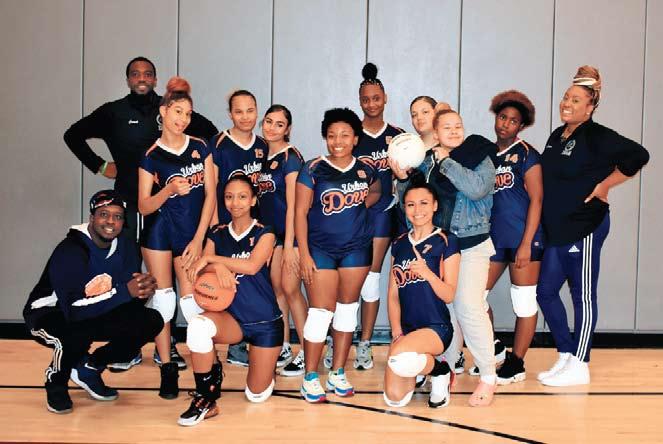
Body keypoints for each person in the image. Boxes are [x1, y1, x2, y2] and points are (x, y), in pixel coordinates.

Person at [63, 56, 217, 372]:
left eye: (148, 73)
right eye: (135, 74)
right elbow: (72, 134)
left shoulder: (171, 109)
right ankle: (129, 344)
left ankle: (170, 346)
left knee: (177, 283)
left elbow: (211, 137)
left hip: (178, 213)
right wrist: (100, 166)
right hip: (131, 205)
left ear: (156, 79)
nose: (142, 78)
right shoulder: (114, 112)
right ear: (128, 79)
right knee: (130, 274)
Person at [536, 66, 649, 386]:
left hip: (584, 226)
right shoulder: (557, 136)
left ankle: (581, 363)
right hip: (557, 230)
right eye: (565, 97)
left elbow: (639, 155)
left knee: (582, 295)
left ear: (590, 107)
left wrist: (605, 185)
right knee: (545, 292)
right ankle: (566, 354)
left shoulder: (597, 135)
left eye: (575, 100)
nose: (566, 103)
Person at [392, 108, 498, 406]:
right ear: (435, 133)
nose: (453, 131)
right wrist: (402, 179)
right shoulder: (426, 161)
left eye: (458, 126)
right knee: (446, 311)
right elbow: (412, 203)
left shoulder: (479, 156)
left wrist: (447, 162)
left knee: (469, 308)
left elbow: (477, 190)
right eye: (446, 127)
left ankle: (488, 376)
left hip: (472, 243)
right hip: (442, 246)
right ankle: (446, 369)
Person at [22, 190, 163, 414]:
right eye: (104, 214)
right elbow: (74, 310)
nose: (111, 222)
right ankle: (56, 383)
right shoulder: (71, 250)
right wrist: (126, 292)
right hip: (49, 313)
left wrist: (141, 293)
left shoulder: (126, 247)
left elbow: (122, 297)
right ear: (92, 218)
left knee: (150, 320)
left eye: (117, 216)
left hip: (92, 310)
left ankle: (91, 366)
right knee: (75, 332)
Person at [179, 174, 282, 426]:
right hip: (231, 318)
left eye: (242, 196)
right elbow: (199, 269)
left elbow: (252, 265)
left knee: (256, 396)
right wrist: (214, 266)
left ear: (253, 200)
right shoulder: (217, 233)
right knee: (198, 327)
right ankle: (206, 398)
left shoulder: (265, 232)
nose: (235, 203)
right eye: (229, 197)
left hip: (264, 322)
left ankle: (266, 370)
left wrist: (214, 261)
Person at [138, 77, 216, 399]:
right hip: (160, 232)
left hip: (191, 234)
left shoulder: (200, 147)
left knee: (192, 302)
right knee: (164, 301)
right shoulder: (152, 154)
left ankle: (206, 369)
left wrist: (199, 240)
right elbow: (144, 205)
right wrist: (168, 189)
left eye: (188, 114)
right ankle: (167, 368)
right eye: (178, 112)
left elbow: (211, 196)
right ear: (164, 111)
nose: (183, 119)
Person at [296, 108, 381, 402]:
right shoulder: (312, 168)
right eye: (332, 135)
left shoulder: (366, 169)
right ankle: (310, 376)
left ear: (355, 138)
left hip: (356, 248)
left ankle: (338, 372)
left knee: (346, 310)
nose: (338, 141)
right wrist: (303, 253)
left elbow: (376, 191)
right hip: (320, 249)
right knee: (320, 313)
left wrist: (358, 207)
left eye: (345, 135)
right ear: (325, 138)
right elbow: (299, 212)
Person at [480, 90, 543, 385]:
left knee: (524, 302)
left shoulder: (528, 154)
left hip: (523, 239)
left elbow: (537, 200)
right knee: (474, 298)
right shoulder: (487, 154)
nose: (505, 124)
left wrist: (527, 243)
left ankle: (516, 362)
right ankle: (494, 348)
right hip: (493, 240)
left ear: (522, 125)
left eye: (513, 120)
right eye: (502, 117)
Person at [347, 63, 405, 371]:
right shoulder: (350, 134)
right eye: (366, 99)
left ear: (385, 99)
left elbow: (409, 177)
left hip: (382, 214)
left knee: (370, 278)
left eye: (376, 98)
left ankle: (365, 342)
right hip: (350, 216)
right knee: (347, 280)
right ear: (360, 101)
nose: (371, 104)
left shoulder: (398, 137)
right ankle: (340, 339)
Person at [383, 178, 460, 408]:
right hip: (407, 330)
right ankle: (424, 365)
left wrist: (428, 274)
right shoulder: (399, 244)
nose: (417, 210)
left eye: (424, 203)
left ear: (435, 205)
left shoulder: (446, 240)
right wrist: (397, 331)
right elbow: (393, 294)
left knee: (399, 357)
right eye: (411, 204)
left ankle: (440, 371)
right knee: (394, 399)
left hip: (436, 327)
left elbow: (449, 295)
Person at [407, 97, 465, 385]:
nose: (419, 118)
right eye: (414, 114)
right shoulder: (414, 152)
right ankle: (427, 361)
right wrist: (401, 177)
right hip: (423, 233)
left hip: (454, 235)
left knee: (457, 301)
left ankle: (452, 361)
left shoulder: (455, 151)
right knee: (425, 298)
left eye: (425, 112)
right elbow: (409, 196)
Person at [211, 89, 268, 367]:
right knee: (225, 284)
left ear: (257, 112)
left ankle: (249, 341)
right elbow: (211, 190)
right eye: (238, 111)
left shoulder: (263, 145)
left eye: (250, 110)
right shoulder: (219, 143)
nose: (245, 117)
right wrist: (214, 228)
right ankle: (228, 345)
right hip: (226, 224)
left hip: (252, 226)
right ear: (230, 114)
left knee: (250, 284)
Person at [257, 105, 308, 376]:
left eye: (279, 124)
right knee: (277, 289)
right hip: (272, 234)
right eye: (269, 121)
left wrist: (289, 245)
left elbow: (294, 206)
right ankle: (285, 345)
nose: (272, 128)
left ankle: (308, 351)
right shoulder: (262, 156)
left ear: (288, 129)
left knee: (291, 289)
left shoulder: (291, 157)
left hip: (292, 235)